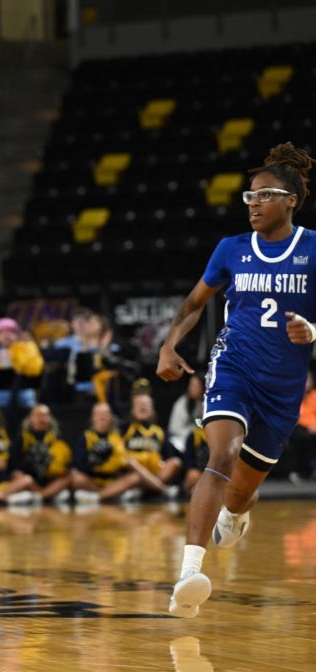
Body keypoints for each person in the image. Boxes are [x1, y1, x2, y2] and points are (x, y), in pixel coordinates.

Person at [157, 142, 315, 618]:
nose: (253, 204)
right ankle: (189, 573)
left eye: (264, 195)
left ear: (290, 200)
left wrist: (312, 331)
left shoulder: (313, 249)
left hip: (283, 386)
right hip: (234, 367)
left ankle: (236, 511)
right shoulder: (231, 249)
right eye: (248, 196)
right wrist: (169, 345)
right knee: (220, 455)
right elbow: (194, 303)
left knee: (242, 490)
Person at [167, 375, 205, 453]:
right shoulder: (182, 402)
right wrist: (192, 433)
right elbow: (173, 427)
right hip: (183, 439)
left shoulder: (207, 403)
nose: (191, 388)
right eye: (191, 385)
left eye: (195, 385)